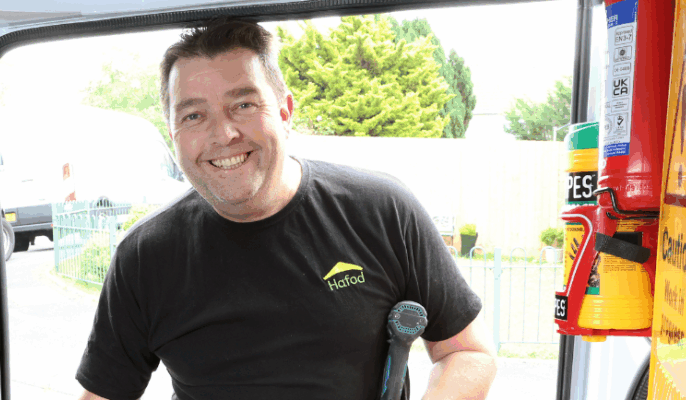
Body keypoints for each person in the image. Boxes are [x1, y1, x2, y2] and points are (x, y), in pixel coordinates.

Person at [76, 19, 496, 400]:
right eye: (193, 115)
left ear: (285, 112)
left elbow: (467, 354)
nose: (223, 133)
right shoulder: (144, 256)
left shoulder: (383, 211)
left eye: (243, 104)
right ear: (173, 133)